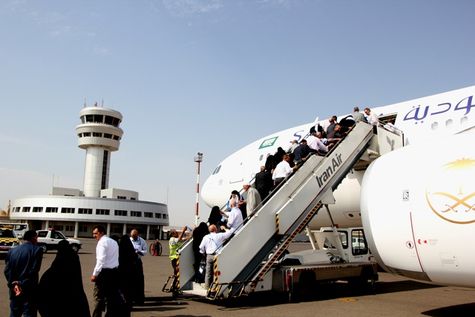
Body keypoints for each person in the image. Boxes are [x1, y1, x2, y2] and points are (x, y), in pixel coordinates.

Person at [38, 240, 90, 317]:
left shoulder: (59, 258)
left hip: (58, 298)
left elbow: (51, 274)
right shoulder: (74, 256)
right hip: (74, 292)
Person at [4, 229, 43, 317]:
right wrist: (21, 283)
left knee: (15, 311)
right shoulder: (37, 250)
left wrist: (14, 283)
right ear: (33, 238)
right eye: (36, 238)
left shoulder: (12, 251)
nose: (37, 240)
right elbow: (33, 270)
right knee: (29, 312)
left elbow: (7, 270)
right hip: (28, 289)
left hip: (15, 288)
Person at [91, 225, 120, 317]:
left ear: (101, 232)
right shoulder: (113, 242)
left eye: (96, 233)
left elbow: (101, 260)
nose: (94, 236)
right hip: (114, 272)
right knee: (111, 297)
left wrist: (95, 274)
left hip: (104, 273)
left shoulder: (102, 243)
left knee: (98, 297)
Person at [198, 225, 234, 289]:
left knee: (208, 273)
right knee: (217, 273)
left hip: (209, 256)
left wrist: (203, 252)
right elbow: (230, 233)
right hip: (217, 256)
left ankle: (207, 288)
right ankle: (215, 288)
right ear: (215, 229)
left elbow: (201, 247)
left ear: (209, 230)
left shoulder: (205, 237)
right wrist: (224, 228)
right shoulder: (219, 235)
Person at [118, 235, 139, 317]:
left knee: (122, 297)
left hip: (122, 278)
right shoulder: (132, 254)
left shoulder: (119, 252)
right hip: (131, 279)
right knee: (128, 297)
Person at [129, 228, 147, 305]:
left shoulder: (142, 241)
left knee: (139, 280)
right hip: (129, 262)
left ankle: (139, 298)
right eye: (132, 236)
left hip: (137, 262)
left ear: (137, 235)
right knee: (130, 280)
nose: (133, 237)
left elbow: (145, 251)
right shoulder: (128, 240)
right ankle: (131, 297)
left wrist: (139, 252)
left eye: (135, 236)